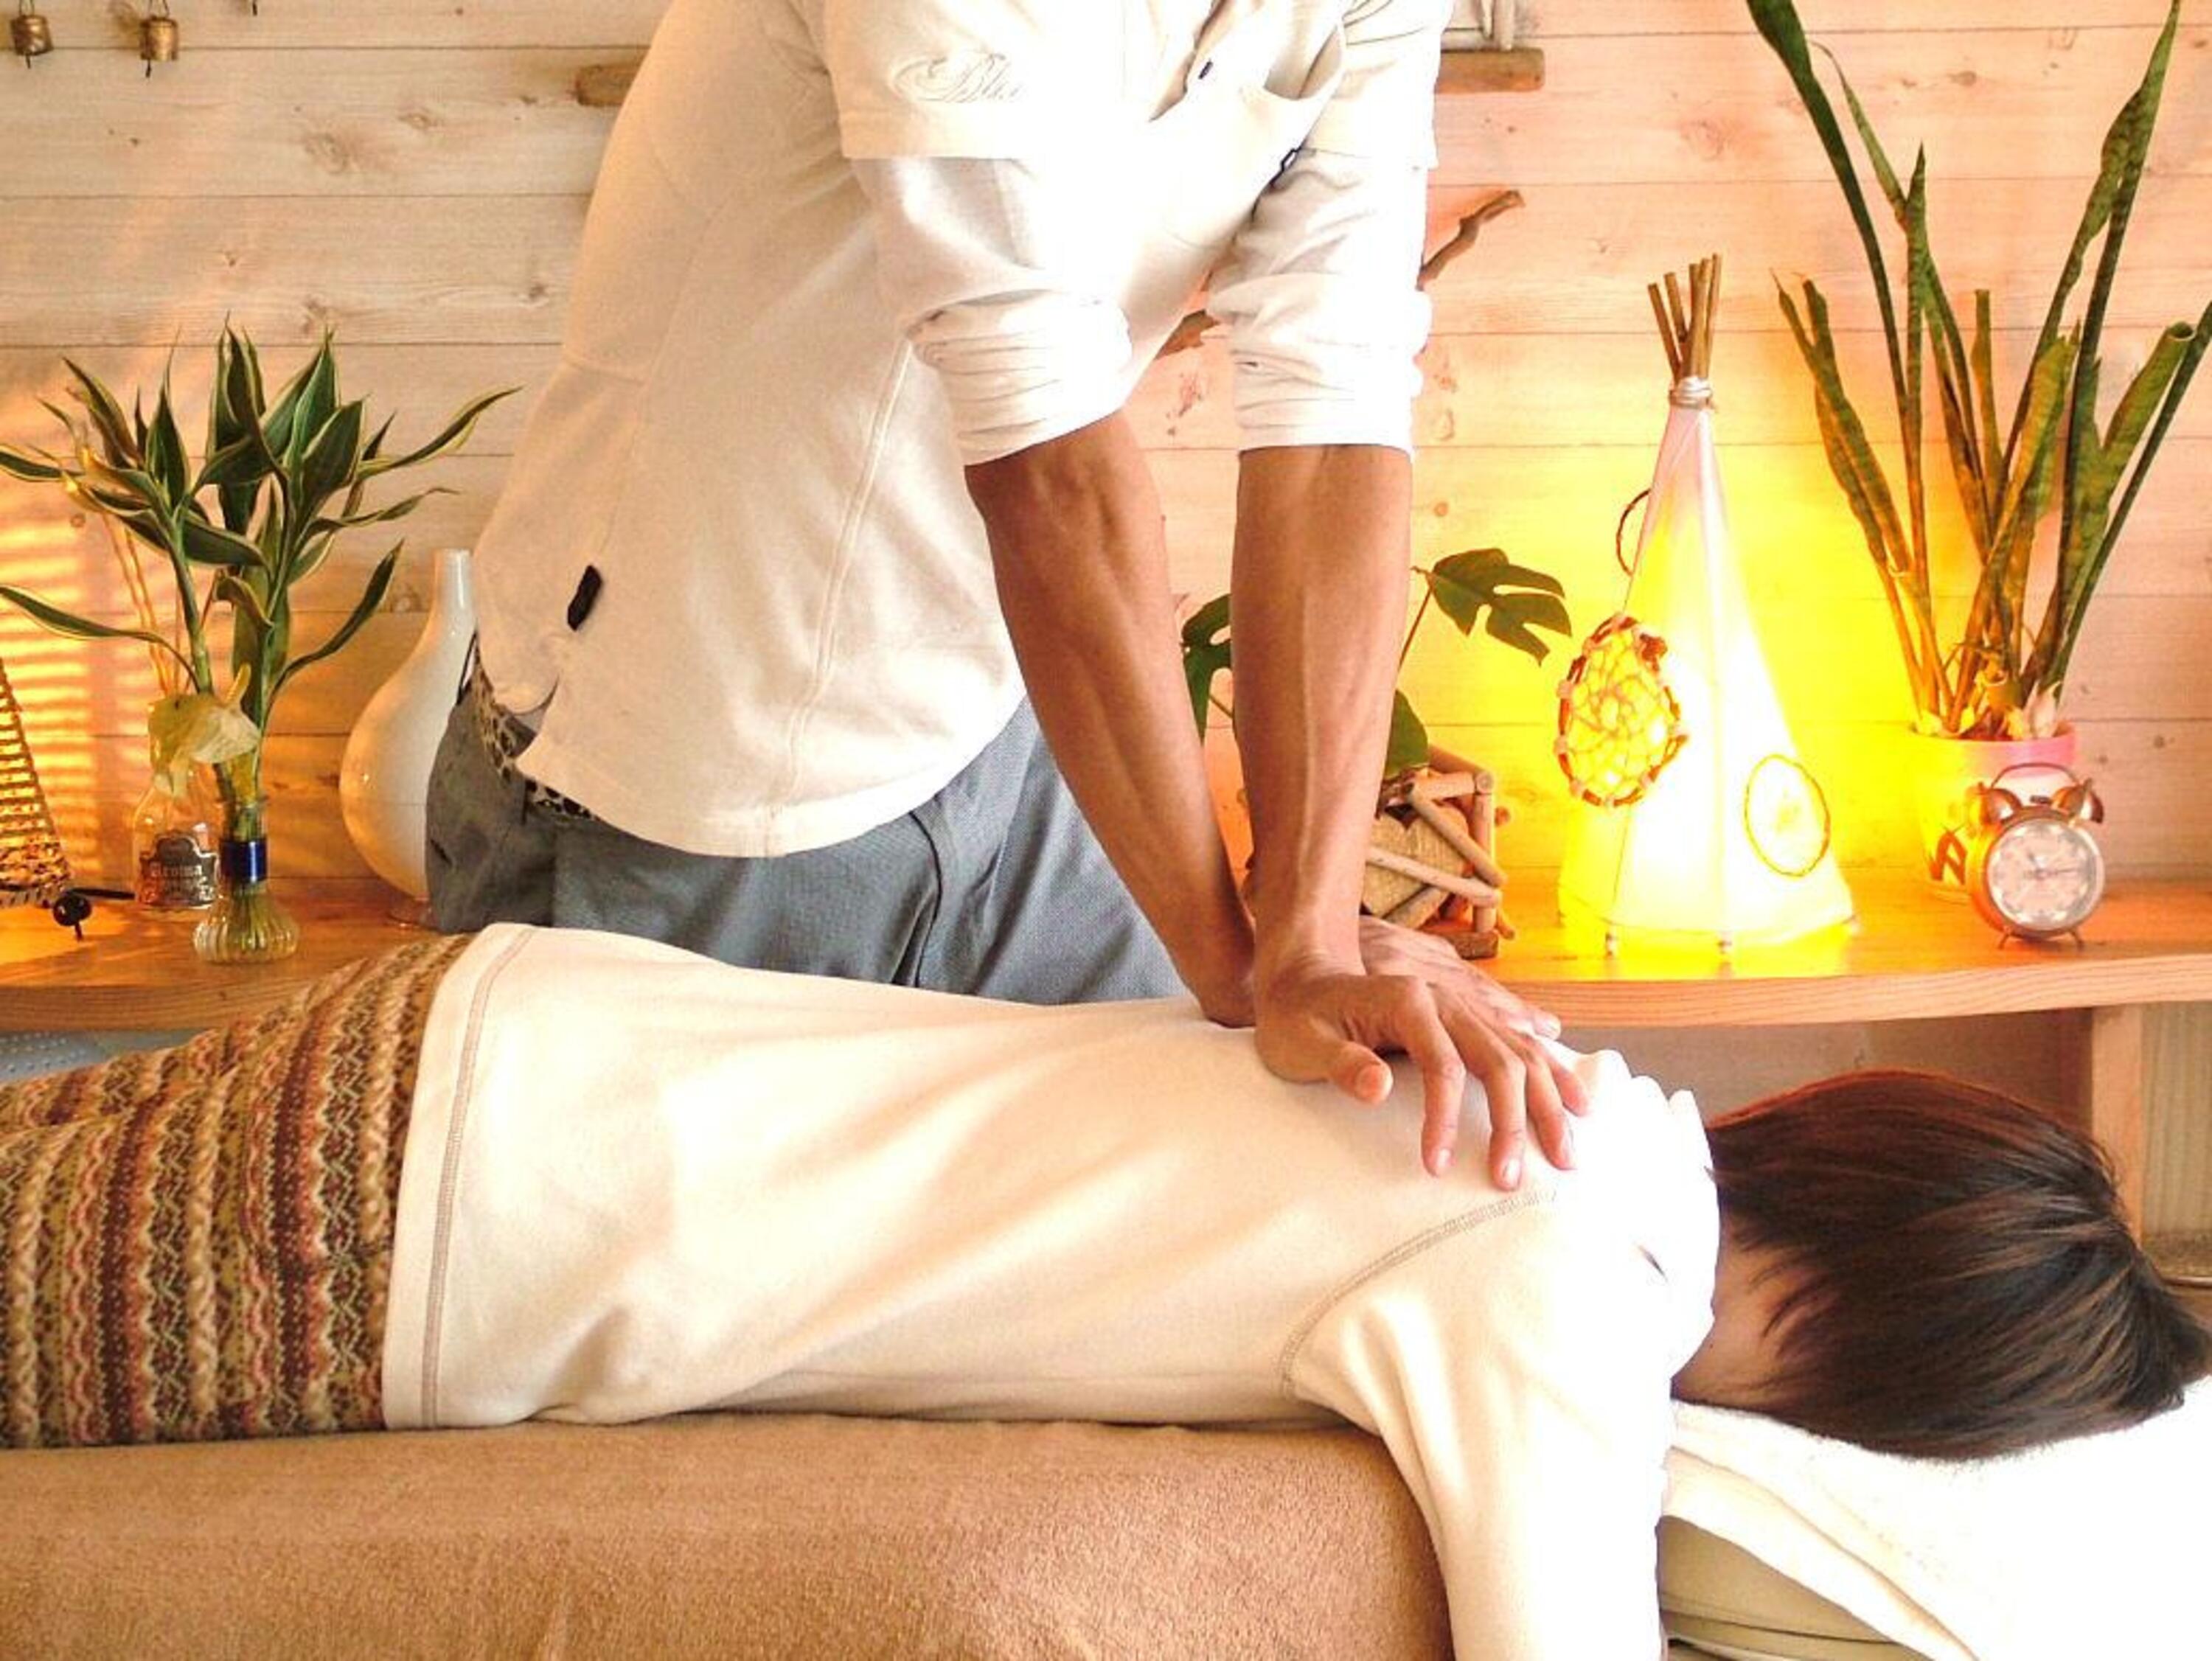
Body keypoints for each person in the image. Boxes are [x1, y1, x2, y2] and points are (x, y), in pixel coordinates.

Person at [4, 932, 2202, 1659]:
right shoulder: (1572, 1277)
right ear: (1868, 1354)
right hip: (446, 1221)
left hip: (508, 1036)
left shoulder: (1563, 1097)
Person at [422, 0, 1584, 1185]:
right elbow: (1050, 466)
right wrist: (1251, 972)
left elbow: (1335, 408)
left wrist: (1313, 940)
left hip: (995, 745)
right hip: (689, 784)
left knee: (1246, 1184)